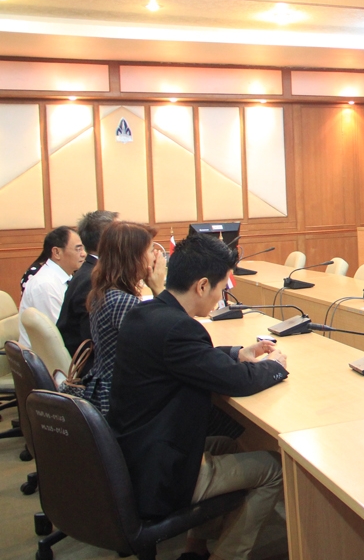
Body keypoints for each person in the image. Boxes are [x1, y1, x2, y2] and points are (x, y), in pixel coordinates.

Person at [107, 234, 288, 560]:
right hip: (159, 472)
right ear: (202, 286)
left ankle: (196, 547)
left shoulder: (147, 314)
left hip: (133, 453)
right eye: (221, 287)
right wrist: (274, 367)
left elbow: (189, 360)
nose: (221, 297)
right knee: (274, 468)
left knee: (230, 445)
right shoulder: (180, 329)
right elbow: (237, 382)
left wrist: (236, 353)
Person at [78, 221, 166, 415]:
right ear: (133, 258)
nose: (156, 256)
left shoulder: (106, 292)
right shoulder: (122, 302)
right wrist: (159, 289)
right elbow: (169, 340)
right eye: (151, 250)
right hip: (121, 402)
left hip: (109, 390)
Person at [56, 210, 119, 359]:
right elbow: (94, 340)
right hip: (88, 365)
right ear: (107, 241)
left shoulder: (90, 271)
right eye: (121, 234)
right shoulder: (92, 280)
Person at [18, 226, 86, 349]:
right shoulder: (45, 285)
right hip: (44, 357)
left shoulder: (66, 277)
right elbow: (58, 335)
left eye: (83, 248)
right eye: (78, 249)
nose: (83, 254)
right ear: (57, 252)